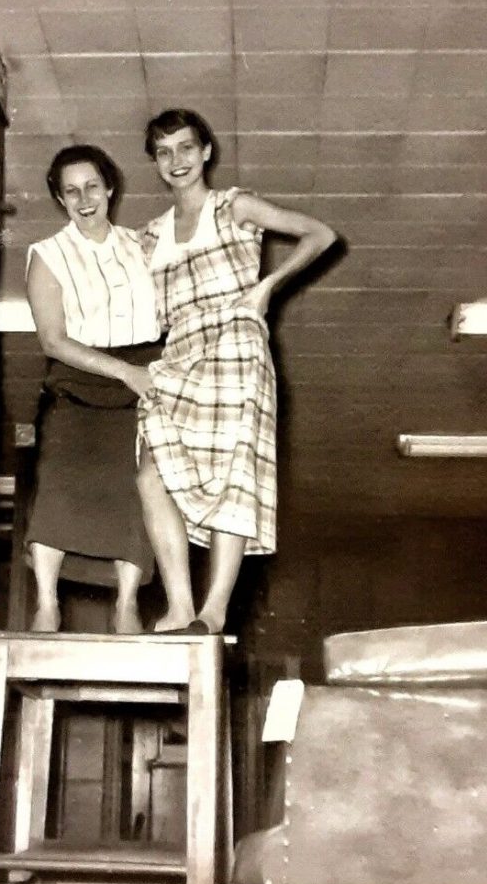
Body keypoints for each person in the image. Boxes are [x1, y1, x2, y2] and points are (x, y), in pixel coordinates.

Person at [135, 109, 342, 634]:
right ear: (155, 163)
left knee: (233, 471)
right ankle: (180, 604)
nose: (176, 161)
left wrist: (268, 286)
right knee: (150, 472)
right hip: (180, 352)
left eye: (186, 148)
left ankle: (213, 609)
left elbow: (319, 235)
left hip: (236, 342)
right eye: (164, 152)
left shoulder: (235, 207)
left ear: (205, 151)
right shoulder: (148, 237)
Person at [24, 144, 160, 634]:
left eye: (92, 187)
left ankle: (127, 606)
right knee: (57, 485)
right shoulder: (46, 255)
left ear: (111, 189)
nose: (84, 198)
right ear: (61, 200)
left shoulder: (145, 244)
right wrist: (122, 372)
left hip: (143, 379)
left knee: (137, 494)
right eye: (71, 191)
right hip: (77, 382)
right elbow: (53, 341)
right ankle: (46, 604)